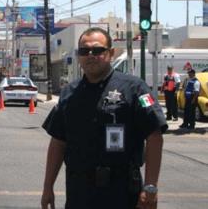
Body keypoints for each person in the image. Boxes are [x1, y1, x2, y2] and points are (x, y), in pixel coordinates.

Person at [41, 27, 168, 209]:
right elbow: (58, 142)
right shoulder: (69, 93)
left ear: (111, 53)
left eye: (98, 50)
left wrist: (150, 187)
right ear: (78, 56)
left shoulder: (134, 89)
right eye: (84, 51)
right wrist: (48, 187)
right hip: (80, 195)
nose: (90, 55)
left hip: (122, 194)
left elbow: (154, 136)